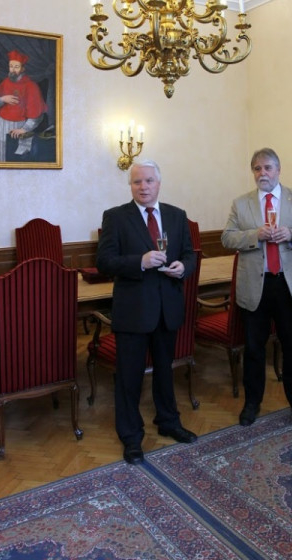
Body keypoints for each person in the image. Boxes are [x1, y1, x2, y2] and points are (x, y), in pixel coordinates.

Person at [96, 159, 197, 465]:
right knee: (129, 377)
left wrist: (183, 267)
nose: (143, 187)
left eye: (149, 181)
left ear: (159, 184)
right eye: (137, 182)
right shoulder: (116, 217)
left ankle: (168, 421)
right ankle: (131, 437)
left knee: (165, 371)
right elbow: (104, 262)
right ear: (130, 186)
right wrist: (139, 262)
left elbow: (189, 254)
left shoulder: (177, 215)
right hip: (133, 311)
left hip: (167, 308)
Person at [221, 148, 292, 429]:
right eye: (257, 168)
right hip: (256, 285)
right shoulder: (241, 204)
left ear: (278, 170)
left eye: (267, 167)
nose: (262, 173)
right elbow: (227, 238)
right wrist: (255, 235)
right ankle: (252, 404)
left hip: (289, 285)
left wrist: (291, 234)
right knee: (254, 349)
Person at [0, 49, 47, 162]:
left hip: (19, 127)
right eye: (11, 66)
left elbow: (37, 114)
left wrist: (24, 129)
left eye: (16, 67)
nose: (13, 70)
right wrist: (2, 99)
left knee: (14, 159)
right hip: (1, 126)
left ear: (23, 69)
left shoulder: (31, 86)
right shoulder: (5, 82)